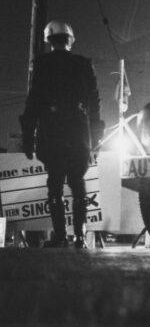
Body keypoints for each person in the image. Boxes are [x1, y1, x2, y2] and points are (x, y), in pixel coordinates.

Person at [20, 21, 104, 249]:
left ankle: (60, 236)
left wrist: (28, 136)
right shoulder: (83, 64)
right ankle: (79, 237)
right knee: (78, 183)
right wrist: (96, 137)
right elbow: (95, 103)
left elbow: (34, 101)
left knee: (55, 184)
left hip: (52, 132)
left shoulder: (42, 64)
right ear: (70, 39)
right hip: (79, 132)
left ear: (49, 41)